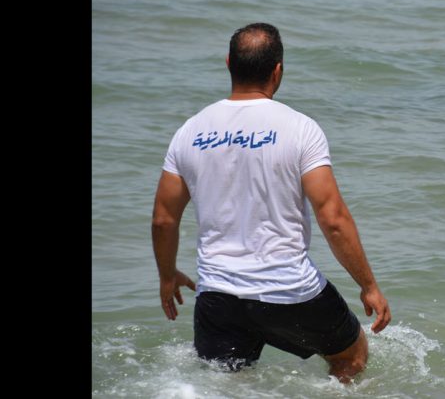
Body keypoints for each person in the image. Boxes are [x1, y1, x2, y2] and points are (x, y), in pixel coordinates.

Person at [151, 22, 391, 382]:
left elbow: (163, 219)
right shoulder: (300, 128)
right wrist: (369, 285)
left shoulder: (189, 131)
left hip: (218, 296)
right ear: (278, 70)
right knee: (351, 356)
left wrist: (167, 276)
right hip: (289, 291)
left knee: (228, 385)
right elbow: (333, 217)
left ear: (228, 62)